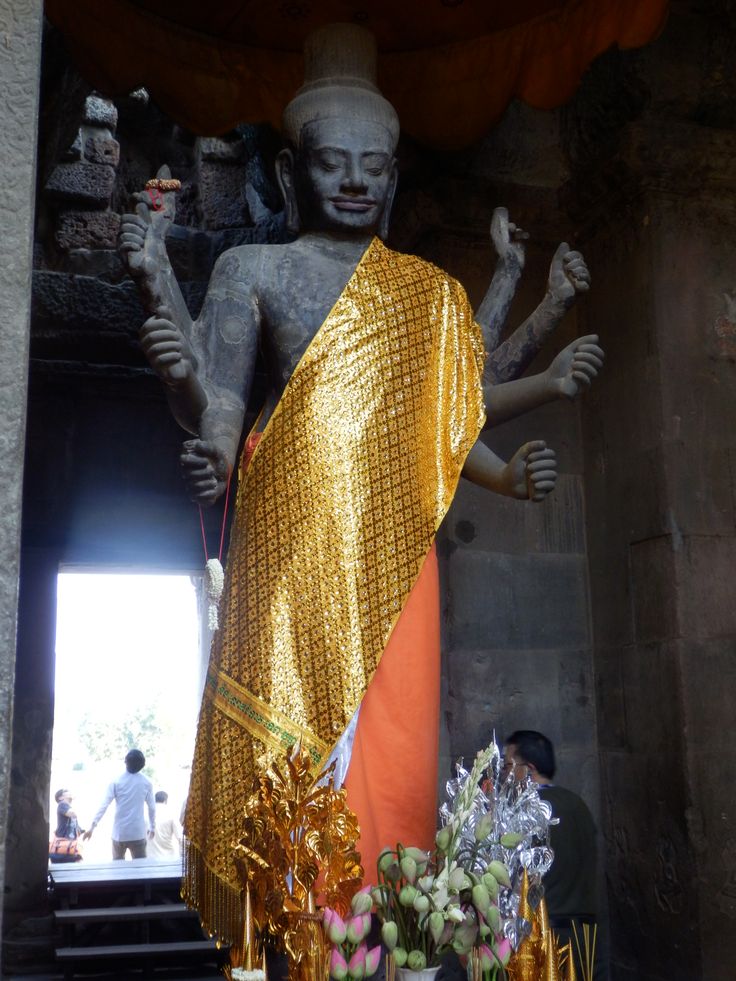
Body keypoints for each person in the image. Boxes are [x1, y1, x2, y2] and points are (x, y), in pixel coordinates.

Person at [119, 23, 603, 950]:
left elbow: (443, 421)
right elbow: (220, 410)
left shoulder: (424, 294)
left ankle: (394, 945)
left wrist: (509, 474)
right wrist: (194, 403)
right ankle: (292, 939)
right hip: (290, 551)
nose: (353, 182)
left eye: (373, 168)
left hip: (393, 554)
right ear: (294, 174)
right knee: (287, 766)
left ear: (392, 180)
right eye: (332, 164)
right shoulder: (251, 270)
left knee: (394, 756)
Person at [503, 730, 603, 979]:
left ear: (528, 768)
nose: (504, 776)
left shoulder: (526, 811)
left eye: (507, 766)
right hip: (586, 937)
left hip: (544, 938)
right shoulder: (578, 804)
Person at [84, 749, 156, 860]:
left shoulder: (116, 781)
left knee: (117, 870)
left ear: (125, 762)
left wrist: (92, 827)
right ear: (142, 765)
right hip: (138, 833)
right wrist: (152, 827)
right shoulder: (147, 782)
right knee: (141, 870)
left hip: (119, 834)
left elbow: (104, 805)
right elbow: (152, 807)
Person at [146, 791, 182, 861]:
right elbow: (180, 838)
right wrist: (182, 857)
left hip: (149, 858)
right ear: (165, 801)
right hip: (169, 858)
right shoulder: (171, 813)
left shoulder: (146, 813)